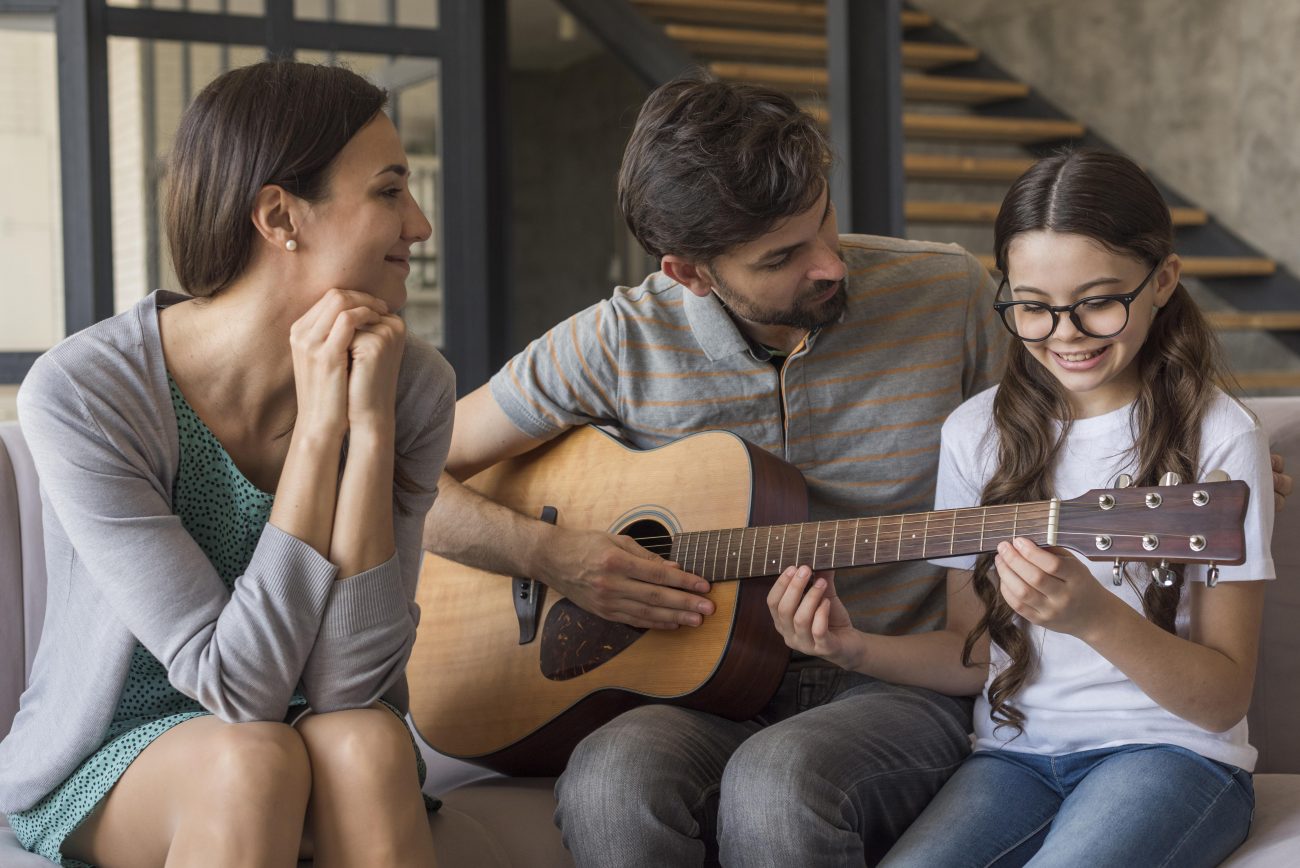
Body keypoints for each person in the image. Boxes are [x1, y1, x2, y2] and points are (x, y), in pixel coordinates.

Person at [424, 77, 1006, 866]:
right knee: (607, 784)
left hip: (895, 683)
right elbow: (411, 475)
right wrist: (551, 555)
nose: (832, 264)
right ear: (690, 272)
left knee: (779, 784)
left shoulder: (952, 295)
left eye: (825, 217)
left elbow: (1038, 471)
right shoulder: (616, 341)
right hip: (694, 693)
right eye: (784, 257)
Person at [0, 61, 454, 867]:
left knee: (371, 746)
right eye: (389, 191)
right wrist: (321, 434)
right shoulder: (86, 393)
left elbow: (352, 685)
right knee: (251, 758)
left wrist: (371, 429)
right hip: (122, 748)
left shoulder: (411, 382)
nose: (418, 225)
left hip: (317, 731)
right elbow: (239, 692)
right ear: (281, 216)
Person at [778, 149, 1272, 866]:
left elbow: (1223, 698)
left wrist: (1095, 618)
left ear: (1163, 281)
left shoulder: (1222, 436)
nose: (1065, 333)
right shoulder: (975, 433)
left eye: (1099, 301)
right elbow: (970, 655)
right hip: (1013, 758)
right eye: (1034, 308)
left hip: (1174, 755)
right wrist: (853, 648)